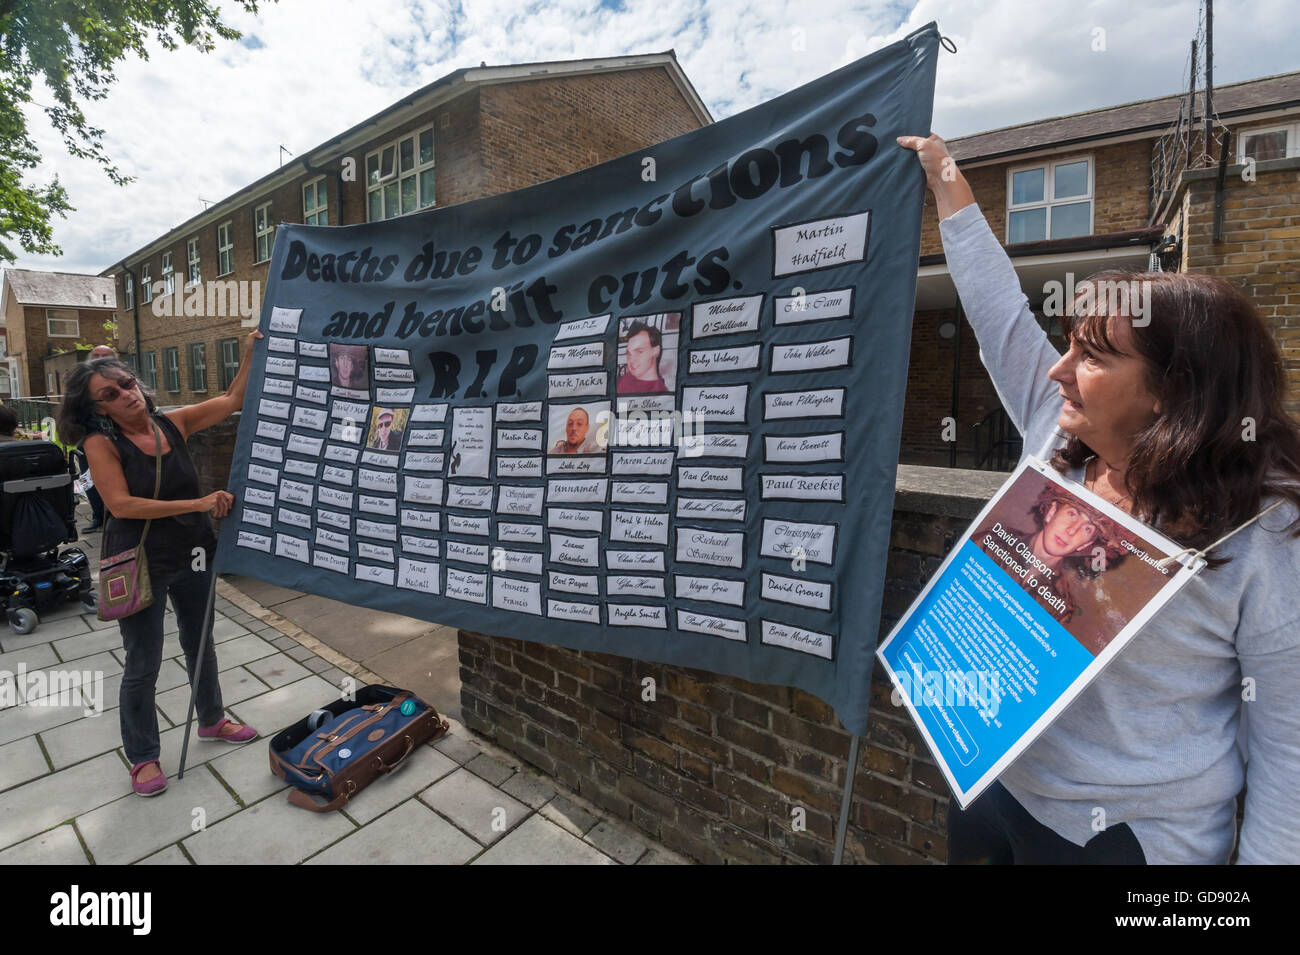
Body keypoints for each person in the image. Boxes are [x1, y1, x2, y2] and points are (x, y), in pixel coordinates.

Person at [899, 133, 1300, 865]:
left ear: (1170, 395)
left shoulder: (1268, 532)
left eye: (1092, 356)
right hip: (993, 786)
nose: (1057, 371)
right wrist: (946, 177)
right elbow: (994, 310)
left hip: (1121, 841)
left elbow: (1289, 745)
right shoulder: (1057, 436)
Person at [55, 330, 265, 797]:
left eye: (127, 384)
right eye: (111, 394)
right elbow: (122, 505)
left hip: (192, 551)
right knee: (143, 659)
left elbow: (233, 399)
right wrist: (198, 503)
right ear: (97, 409)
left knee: (200, 642)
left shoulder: (172, 423)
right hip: (137, 559)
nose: (127, 396)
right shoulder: (100, 442)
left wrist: (250, 352)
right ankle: (144, 756)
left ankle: (211, 720)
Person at [972, 485, 1127, 632]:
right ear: (1051, 513)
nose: (1072, 530)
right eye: (1072, 514)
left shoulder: (1061, 604)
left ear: (1086, 544)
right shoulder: (990, 541)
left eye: (1087, 529)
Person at [74, 346, 116, 531]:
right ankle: (97, 517)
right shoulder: (82, 381)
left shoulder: (123, 381)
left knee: (116, 481)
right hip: (87, 440)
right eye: (96, 356)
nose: (99, 359)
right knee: (89, 481)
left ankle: (115, 518)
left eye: (104, 356)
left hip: (116, 441)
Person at [617, 321, 668, 394]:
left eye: (639, 351)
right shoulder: (625, 380)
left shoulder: (659, 393)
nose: (631, 360)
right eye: (629, 353)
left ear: (656, 351)